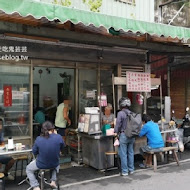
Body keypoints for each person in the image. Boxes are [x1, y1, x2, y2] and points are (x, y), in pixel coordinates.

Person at [26, 121, 64, 190]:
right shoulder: (58, 137)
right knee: (56, 165)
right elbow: (62, 147)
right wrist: (56, 135)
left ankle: (36, 186)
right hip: (54, 163)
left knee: (28, 169)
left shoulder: (39, 139)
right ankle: (53, 180)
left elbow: (34, 152)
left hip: (41, 164)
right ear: (53, 129)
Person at [114, 97, 135, 176]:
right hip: (132, 135)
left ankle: (125, 171)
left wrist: (115, 132)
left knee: (123, 154)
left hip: (123, 135)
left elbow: (118, 124)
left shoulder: (120, 113)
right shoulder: (131, 113)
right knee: (130, 152)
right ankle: (131, 169)